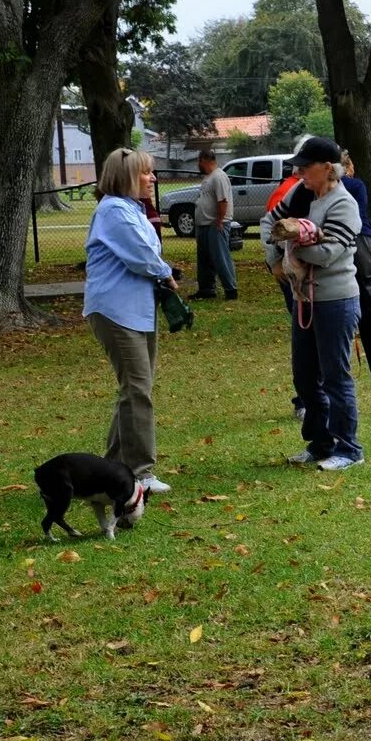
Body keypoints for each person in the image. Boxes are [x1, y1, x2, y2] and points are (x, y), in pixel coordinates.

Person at [262, 136, 365, 470]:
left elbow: (327, 254)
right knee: (305, 376)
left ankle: (349, 449)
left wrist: (289, 246)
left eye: (306, 166)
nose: (299, 170)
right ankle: (319, 443)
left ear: (327, 168)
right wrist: (274, 258)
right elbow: (269, 224)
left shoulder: (343, 204)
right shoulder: (300, 193)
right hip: (303, 298)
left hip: (335, 300)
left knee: (335, 376)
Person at [83, 149, 176, 495]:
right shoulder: (114, 210)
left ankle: (108, 470)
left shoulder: (132, 209)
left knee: (134, 390)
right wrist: (166, 273)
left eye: (151, 173)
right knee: (137, 390)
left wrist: (162, 272)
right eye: (145, 173)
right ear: (126, 177)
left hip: (137, 310)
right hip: (116, 311)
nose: (152, 179)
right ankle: (140, 473)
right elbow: (142, 257)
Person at [190, 148, 238, 301]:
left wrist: (220, 220)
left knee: (220, 257)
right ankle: (206, 288)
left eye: (199, 160)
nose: (198, 164)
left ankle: (231, 289)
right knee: (204, 258)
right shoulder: (208, 177)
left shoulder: (219, 176)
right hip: (204, 224)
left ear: (204, 159)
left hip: (215, 223)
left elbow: (222, 200)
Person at [339, 152, 371, 310]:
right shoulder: (355, 185)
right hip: (361, 234)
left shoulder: (326, 187)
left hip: (337, 237)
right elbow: (361, 210)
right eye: (351, 164)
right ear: (346, 167)